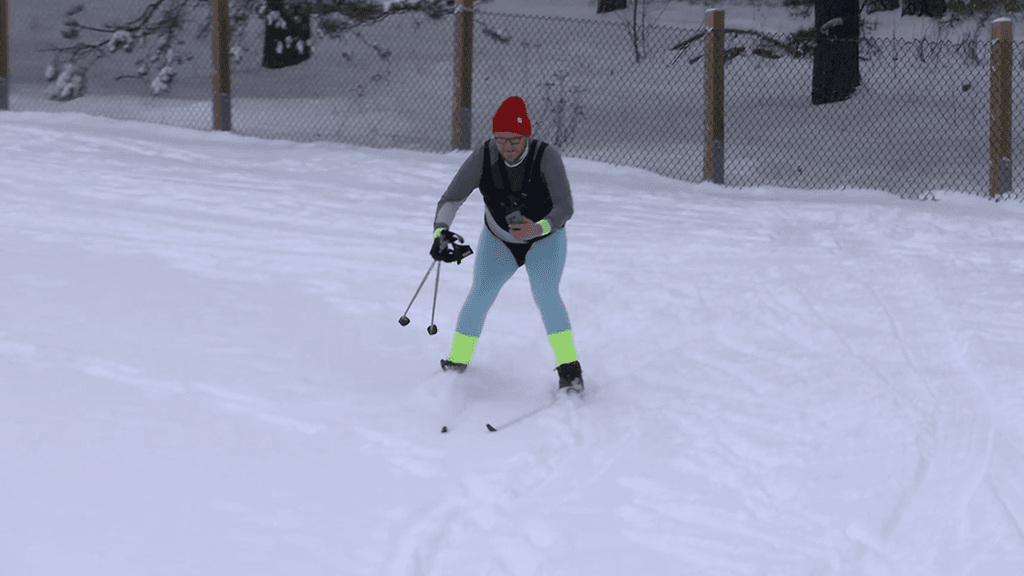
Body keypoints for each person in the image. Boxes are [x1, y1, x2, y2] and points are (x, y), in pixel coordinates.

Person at [430, 96, 584, 393]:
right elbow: (451, 198)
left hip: (545, 240)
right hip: (498, 240)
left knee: (546, 296)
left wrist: (536, 229)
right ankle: (458, 361)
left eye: (514, 140)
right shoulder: (485, 156)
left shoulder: (546, 156)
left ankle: (570, 370)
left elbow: (565, 207)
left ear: (526, 136)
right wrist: (440, 233)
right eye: (501, 140)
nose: (508, 147)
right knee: (480, 295)